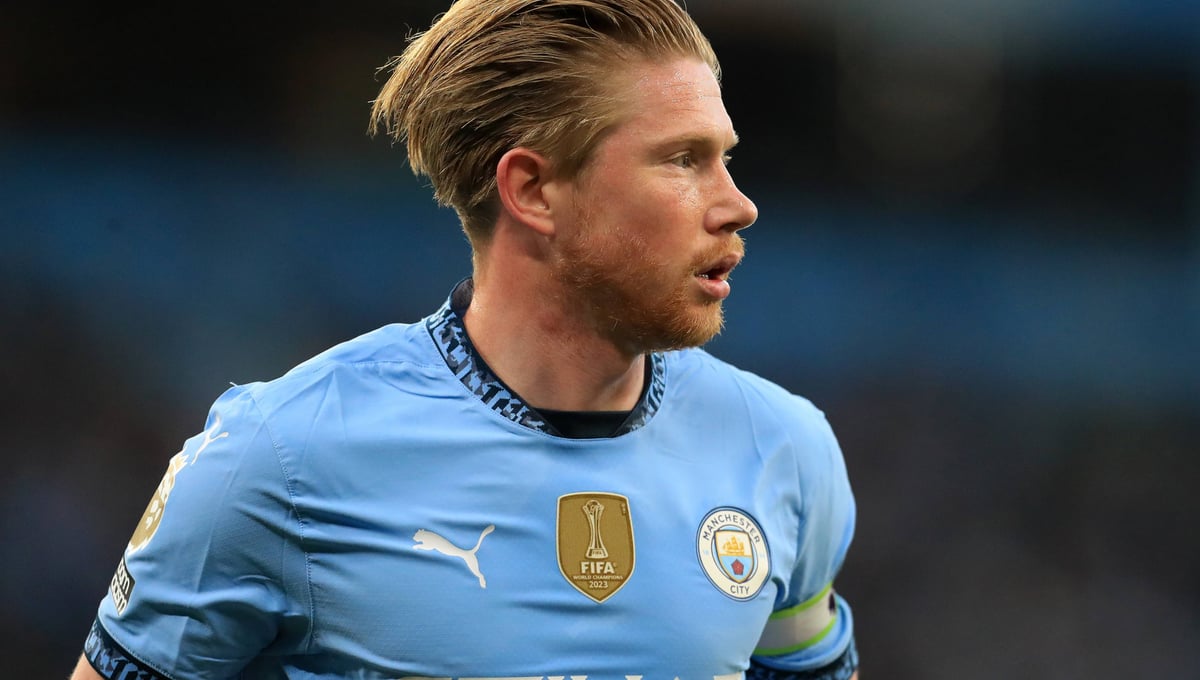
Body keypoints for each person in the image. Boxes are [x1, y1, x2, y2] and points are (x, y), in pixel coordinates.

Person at [70, 1, 859, 678]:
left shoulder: (784, 451)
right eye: (683, 160)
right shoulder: (281, 455)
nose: (738, 205)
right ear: (533, 190)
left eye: (725, 158)